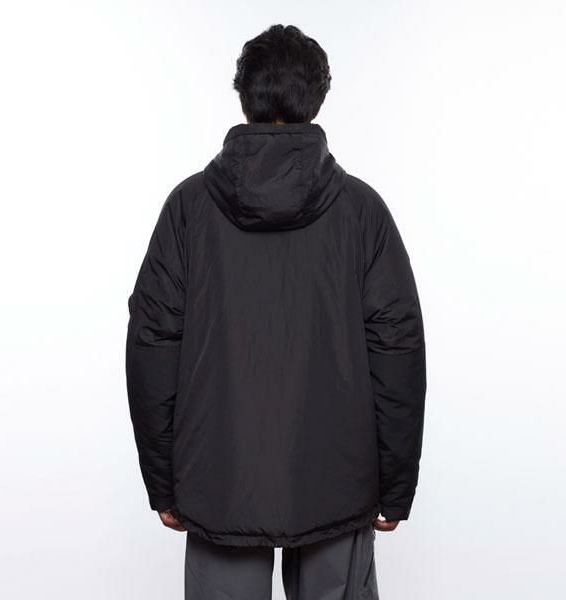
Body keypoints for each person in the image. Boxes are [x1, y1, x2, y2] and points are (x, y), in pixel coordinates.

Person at [126, 23, 427, 600]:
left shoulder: (188, 208)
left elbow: (152, 344)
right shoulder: (361, 211)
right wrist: (395, 485)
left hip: (219, 478)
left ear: (245, 95)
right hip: (337, 478)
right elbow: (397, 348)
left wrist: (163, 482)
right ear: (318, 97)